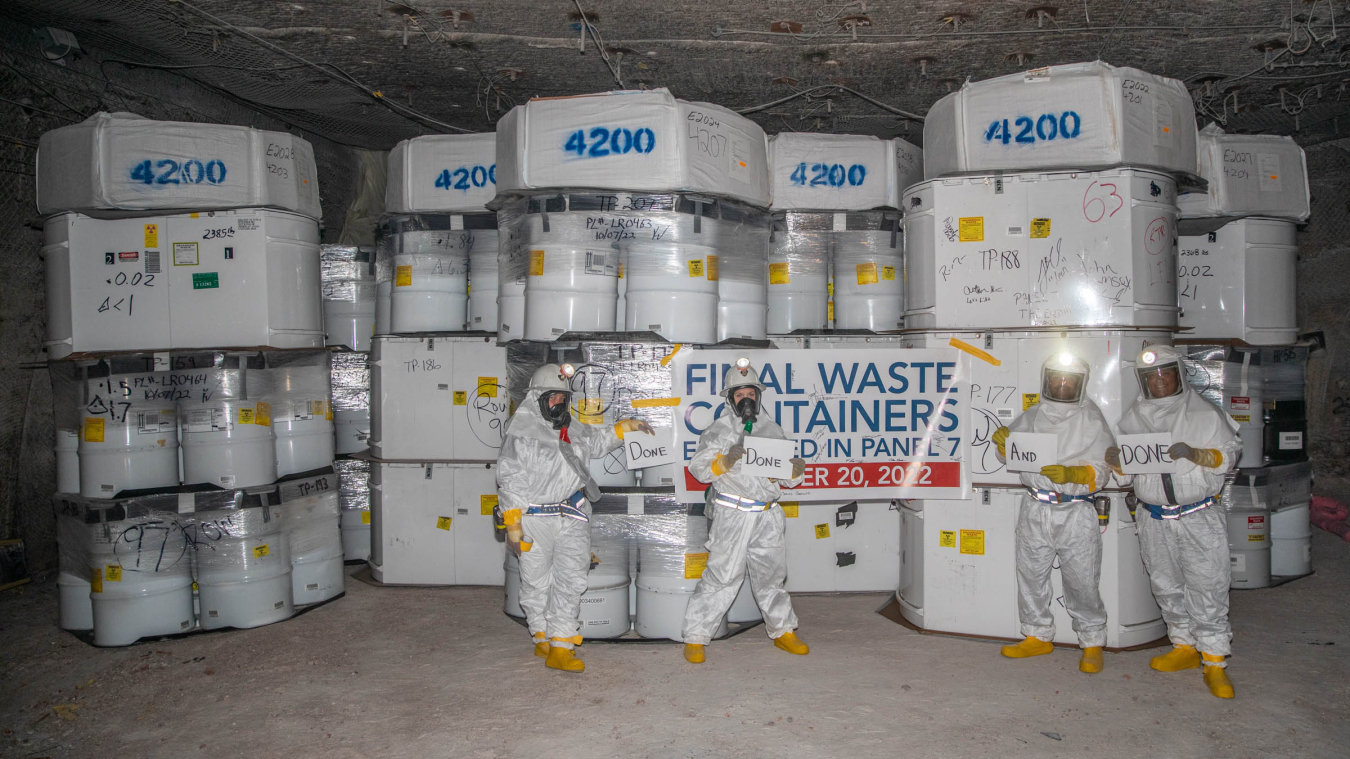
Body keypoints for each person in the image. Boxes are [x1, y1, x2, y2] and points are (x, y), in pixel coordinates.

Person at [496, 363, 652, 673]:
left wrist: (625, 427)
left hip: (572, 514)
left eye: (563, 398)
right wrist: (512, 524)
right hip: (534, 519)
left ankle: (561, 645)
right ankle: (540, 632)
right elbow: (510, 478)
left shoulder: (573, 428)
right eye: (553, 398)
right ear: (537, 399)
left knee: (571, 580)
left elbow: (596, 442)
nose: (559, 404)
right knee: (536, 582)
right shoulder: (522, 435)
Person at [1107, 345, 1241, 699]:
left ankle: (1214, 661)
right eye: (1151, 376)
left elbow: (1229, 454)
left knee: (1207, 585)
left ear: (1179, 374)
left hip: (1197, 516)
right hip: (1153, 517)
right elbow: (1126, 477)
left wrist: (1198, 454)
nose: (1160, 381)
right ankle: (1183, 646)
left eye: (1165, 373)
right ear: (1142, 381)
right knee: (1165, 583)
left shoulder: (1203, 414)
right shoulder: (1133, 419)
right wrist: (1116, 462)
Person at [991, 352, 1115, 673]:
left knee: (1082, 580)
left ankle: (1091, 641)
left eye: (1069, 380)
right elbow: (1010, 456)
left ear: (1080, 384)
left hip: (1075, 511)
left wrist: (1075, 475)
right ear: (1046, 380)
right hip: (1034, 506)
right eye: (1057, 378)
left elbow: (1103, 468)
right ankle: (1037, 635)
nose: (1062, 385)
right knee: (1030, 575)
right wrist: (1003, 442)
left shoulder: (1091, 419)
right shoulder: (1032, 415)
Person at [681, 358, 809, 664]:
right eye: (739, 395)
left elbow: (788, 478)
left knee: (771, 577)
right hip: (733, 513)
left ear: (758, 395)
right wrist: (722, 462)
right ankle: (696, 636)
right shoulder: (718, 429)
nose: (746, 399)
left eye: (750, 393)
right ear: (730, 398)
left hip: (767, 514)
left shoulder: (772, 428)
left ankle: (783, 631)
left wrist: (795, 470)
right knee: (722, 577)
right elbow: (699, 469)